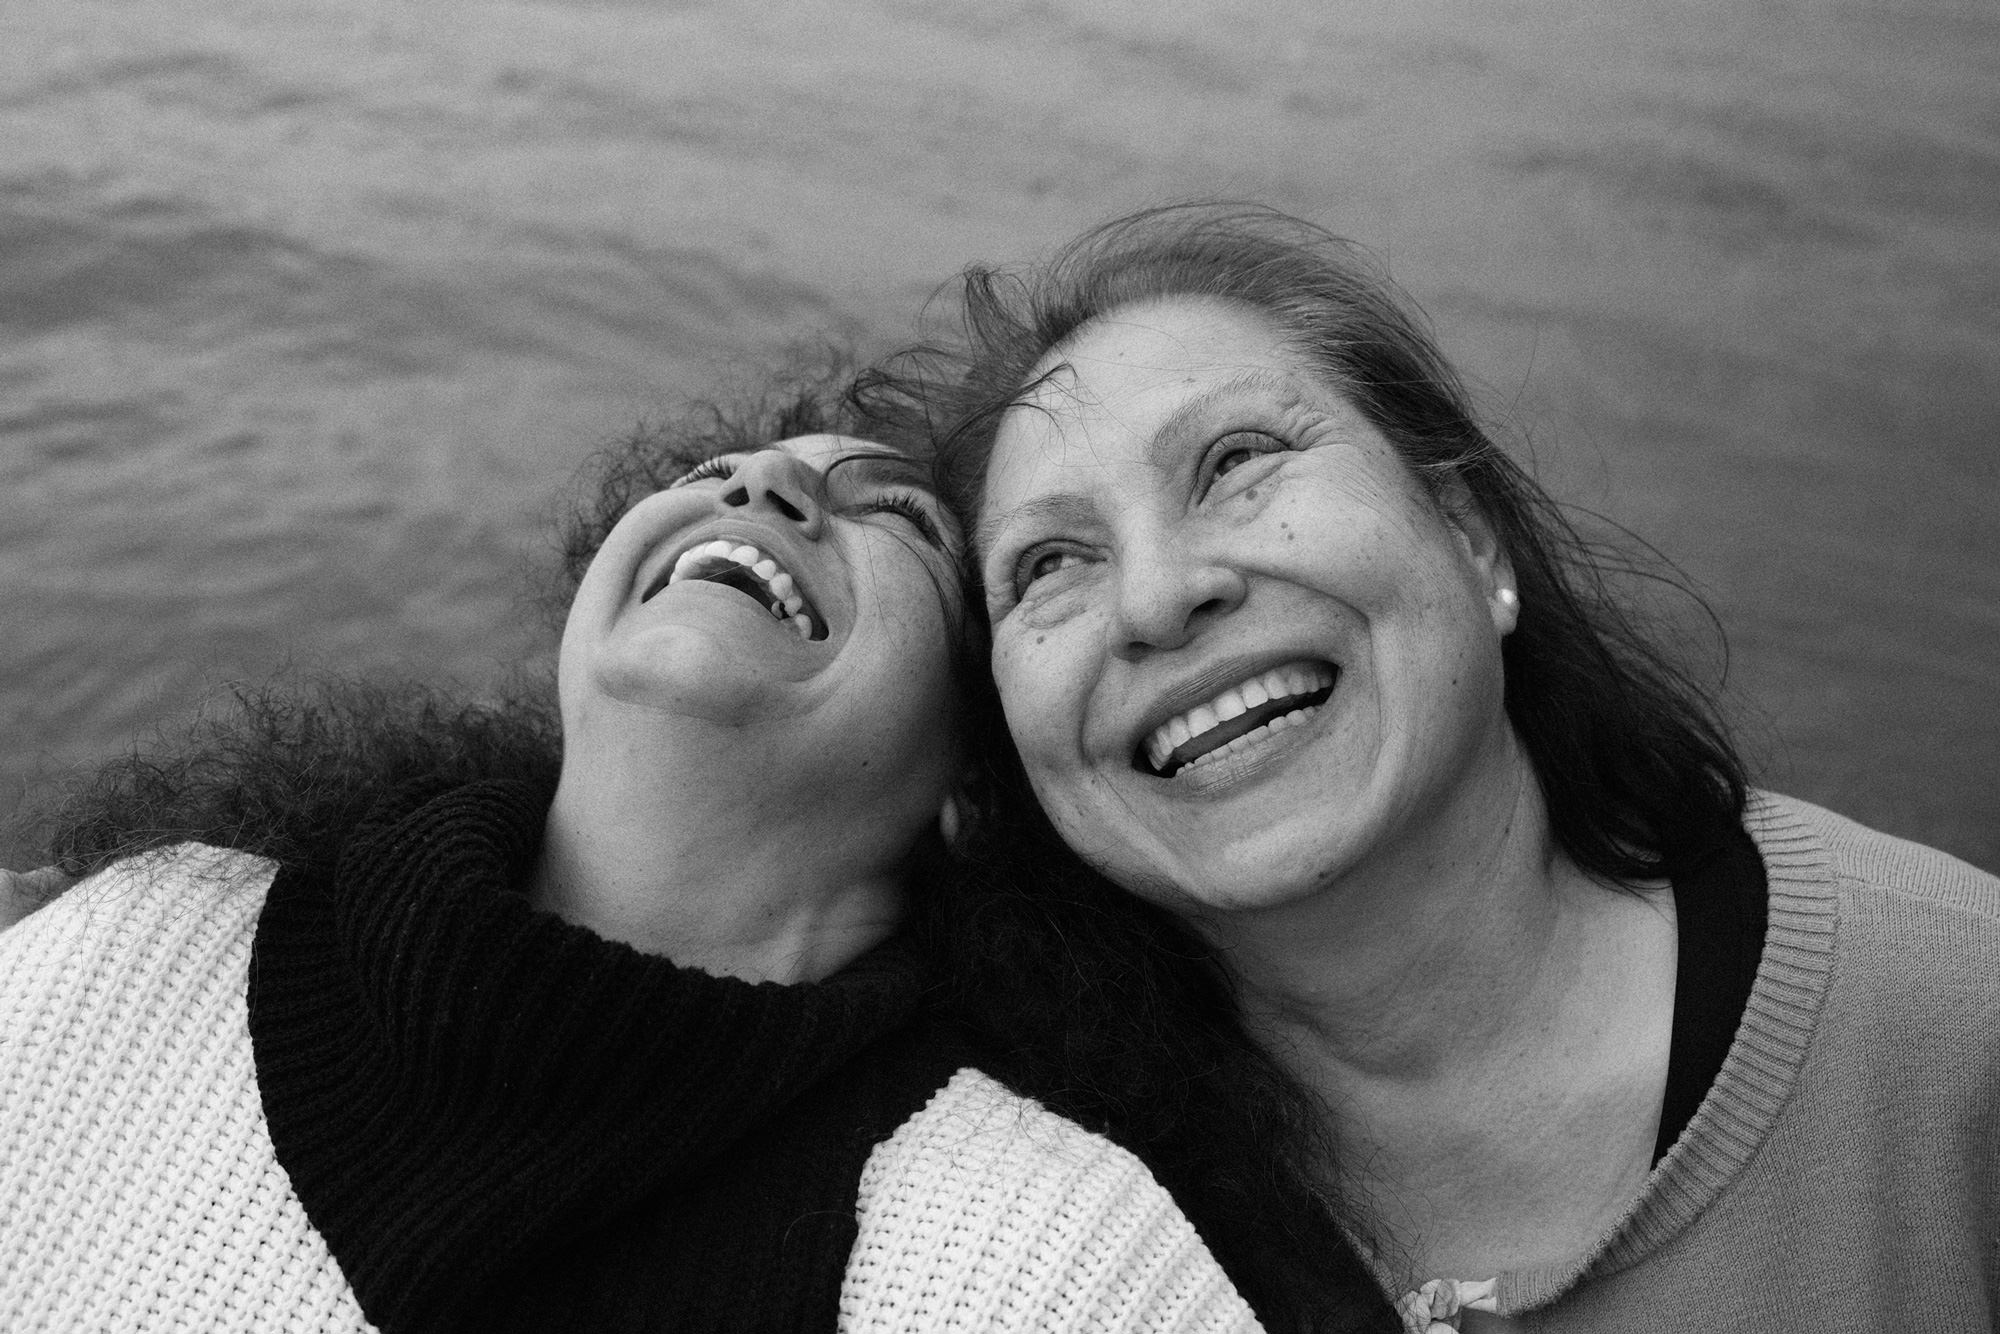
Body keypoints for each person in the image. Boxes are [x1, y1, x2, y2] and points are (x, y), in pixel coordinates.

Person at [0, 370, 1266, 1333]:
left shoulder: (1046, 1256)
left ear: (974, 790)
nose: (760, 488)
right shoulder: (143, 938)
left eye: (896, 520)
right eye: (725, 467)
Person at [925, 205, 2000, 1333]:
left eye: (1235, 459)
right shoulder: (1017, 1190)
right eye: (1048, 562)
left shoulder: (1952, 1027)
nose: (1153, 596)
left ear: (1470, 534)